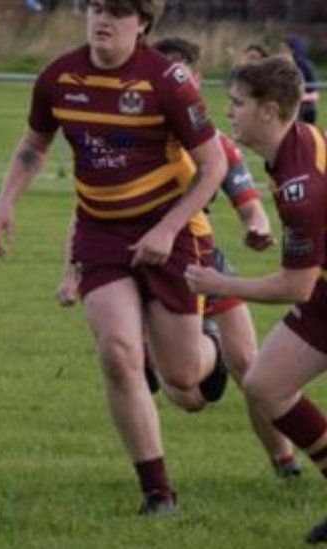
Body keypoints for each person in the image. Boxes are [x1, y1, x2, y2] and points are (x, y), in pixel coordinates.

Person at [0, 0, 229, 515]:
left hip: (169, 232)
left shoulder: (168, 81)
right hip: (100, 234)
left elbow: (212, 167)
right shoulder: (58, 76)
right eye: (96, 6)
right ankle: (158, 492)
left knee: (183, 378)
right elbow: (34, 145)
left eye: (118, 11)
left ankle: (211, 345)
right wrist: (5, 200)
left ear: (142, 22)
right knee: (119, 353)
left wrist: (166, 230)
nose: (103, 19)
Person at [59, 35, 299, 477]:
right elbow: (88, 207)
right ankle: (158, 353)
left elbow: (249, 203)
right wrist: (71, 270)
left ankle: (285, 463)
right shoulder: (124, 137)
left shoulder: (215, 143)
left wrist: (257, 227)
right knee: (185, 393)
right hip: (136, 257)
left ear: (194, 79)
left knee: (248, 365)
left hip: (201, 259)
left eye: (178, 75)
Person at [186, 56, 327, 543]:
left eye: (238, 104)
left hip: (316, 289)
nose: (230, 113)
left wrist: (220, 284)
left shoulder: (299, 187)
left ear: (269, 110)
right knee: (265, 385)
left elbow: (295, 287)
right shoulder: (296, 143)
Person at [280, 36, 319, 124]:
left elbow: (314, 94)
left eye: (284, 49)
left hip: (303, 107)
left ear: (293, 51)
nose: (280, 52)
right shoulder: (280, 66)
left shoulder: (305, 66)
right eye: (280, 49)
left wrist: (297, 98)